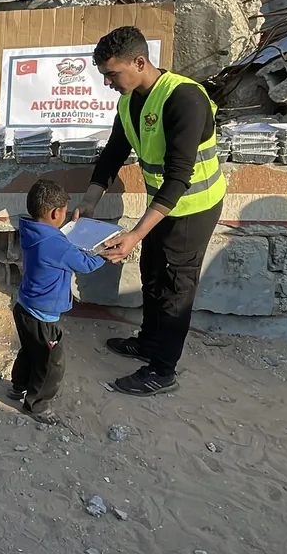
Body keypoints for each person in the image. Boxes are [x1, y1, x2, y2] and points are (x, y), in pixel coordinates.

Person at [73, 26, 226, 396]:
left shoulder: (185, 99)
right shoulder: (129, 101)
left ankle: (162, 370)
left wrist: (134, 234)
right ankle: (148, 342)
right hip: (161, 206)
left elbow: (178, 178)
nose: (108, 82)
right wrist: (89, 201)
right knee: (152, 273)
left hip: (194, 207)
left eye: (112, 73)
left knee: (176, 287)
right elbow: (112, 154)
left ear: (139, 62)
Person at [9, 179, 105, 425]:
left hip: (25, 308)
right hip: (44, 316)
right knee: (52, 364)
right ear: (55, 213)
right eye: (64, 210)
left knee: (30, 352)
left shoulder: (32, 230)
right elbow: (86, 264)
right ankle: (37, 405)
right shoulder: (55, 244)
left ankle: (17, 387)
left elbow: (57, 245)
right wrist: (106, 250)